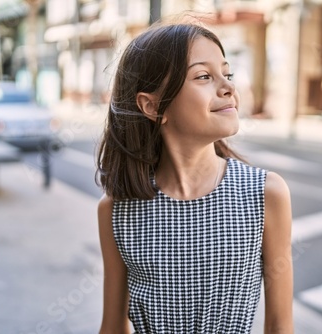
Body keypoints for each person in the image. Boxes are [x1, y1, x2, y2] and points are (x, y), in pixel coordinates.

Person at [96, 21, 293, 334]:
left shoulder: (265, 193)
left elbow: (280, 325)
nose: (229, 88)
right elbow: (113, 327)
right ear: (152, 105)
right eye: (204, 76)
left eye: (227, 74)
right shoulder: (117, 211)